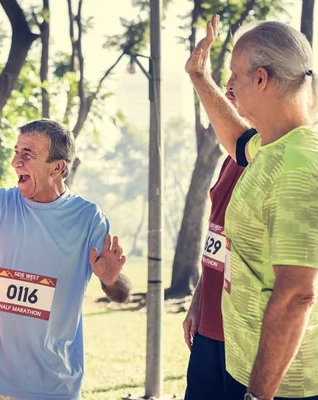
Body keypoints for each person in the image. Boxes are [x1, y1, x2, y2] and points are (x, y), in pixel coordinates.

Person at [0, 119, 131, 400]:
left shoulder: (88, 218)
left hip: (50, 385)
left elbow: (121, 294)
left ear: (58, 167)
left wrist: (111, 278)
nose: (15, 162)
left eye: (27, 155)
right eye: (16, 152)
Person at [190, 15, 318, 400]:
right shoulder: (271, 146)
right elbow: (236, 140)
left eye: (234, 74)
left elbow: (298, 293)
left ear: (261, 78)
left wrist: (258, 395)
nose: (228, 84)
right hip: (240, 365)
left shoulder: (300, 165)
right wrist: (200, 77)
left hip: (280, 386)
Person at [182, 16, 258, 400]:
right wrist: (198, 300)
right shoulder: (231, 160)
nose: (226, 93)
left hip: (244, 340)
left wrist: (199, 76)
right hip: (210, 329)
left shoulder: (267, 156)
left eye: (234, 85)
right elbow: (217, 242)